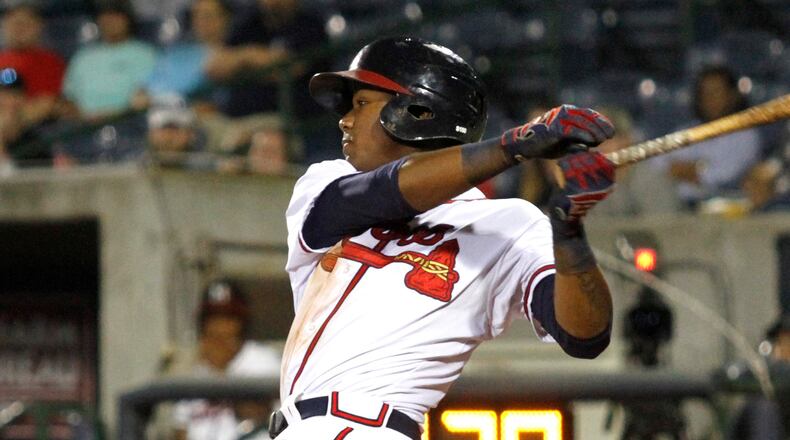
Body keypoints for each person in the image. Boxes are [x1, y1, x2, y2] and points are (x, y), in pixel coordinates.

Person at [274, 36, 616, 439]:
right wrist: (515, 145)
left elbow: (585, 336)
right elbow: (380, 194)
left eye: (362, 103)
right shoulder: (329, 181)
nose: (345, 119)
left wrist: (570, 233)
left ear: (416, 112)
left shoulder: (508, 222)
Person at [169, 279, 281, 440]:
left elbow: (259, 414)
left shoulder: (262, 361)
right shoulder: (195, 371)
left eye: (228, 318)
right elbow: (180, 431)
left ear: (242, 323)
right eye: (213, 319)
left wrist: (221, 371)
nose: (220, 327)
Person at [655, 65, 763, 209]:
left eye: (716, 92)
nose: (710, 98)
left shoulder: (746, 135)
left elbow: (725, 177)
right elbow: (656, 164)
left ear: (732, 95)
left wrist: (692, 169)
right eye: (705, 93)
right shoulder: (687, 131)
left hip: (724, 210)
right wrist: (697, 168)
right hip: (679, 205)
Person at [63, 2, 158, 119]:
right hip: (84, 126)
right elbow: (69, 98)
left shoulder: (146, 54)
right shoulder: (82, 57)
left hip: (129, 123)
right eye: (105, 16)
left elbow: (147, 97)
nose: (110, 21)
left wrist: (110, 116)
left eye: (116, 16)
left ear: (127, 19)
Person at [139, 0, 233, 104]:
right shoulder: (179, 52)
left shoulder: (232, 54)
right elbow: (147, 84)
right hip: (156, 109)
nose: (201, 22)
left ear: (225, 18)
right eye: (196, 16)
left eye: (207, 16)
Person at [0, 3, 66, 124]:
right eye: (14, 23)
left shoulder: (51, 62)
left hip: (35, 124)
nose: (19, 29)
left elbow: (49, 102)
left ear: (38, 26)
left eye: (25, 24)